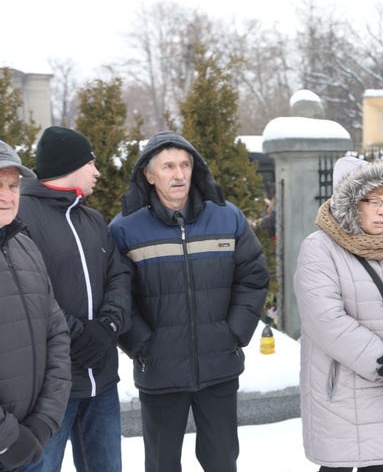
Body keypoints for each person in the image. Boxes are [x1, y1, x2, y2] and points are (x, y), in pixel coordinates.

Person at [109, 131, 270, 472]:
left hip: (218, 368)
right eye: (168, 166)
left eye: (185, 165)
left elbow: (253, 278)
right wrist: (143, 345)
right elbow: (117, 295)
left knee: (222, 461)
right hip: (159, 369)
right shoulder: (124, 229)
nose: (179, 174)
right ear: (149, 175)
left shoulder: (228, 218)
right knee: (161, 464)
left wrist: (233, 334)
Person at [294, 156, 383, 472]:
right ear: (349, 201)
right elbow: (324, 318)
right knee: (338, 467)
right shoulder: (320, 247)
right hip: (342, 386)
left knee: (377, 466)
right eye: (373, 201)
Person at [16, 127, 132, 472]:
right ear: (69, 165)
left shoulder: (94, 220)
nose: (97, 172)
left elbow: (120, 277)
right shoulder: (21, 217)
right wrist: (79, 336)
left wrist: (108, 326)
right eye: (90, 163)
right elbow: (29, 296)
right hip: (50, 390)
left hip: (102, 383)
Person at [0, 140, 72, 471]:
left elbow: (56, 334)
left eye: (13, 185)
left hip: (31, 444)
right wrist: (6, 439)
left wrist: (44, 422)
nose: (7, 195)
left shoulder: (24, 246)